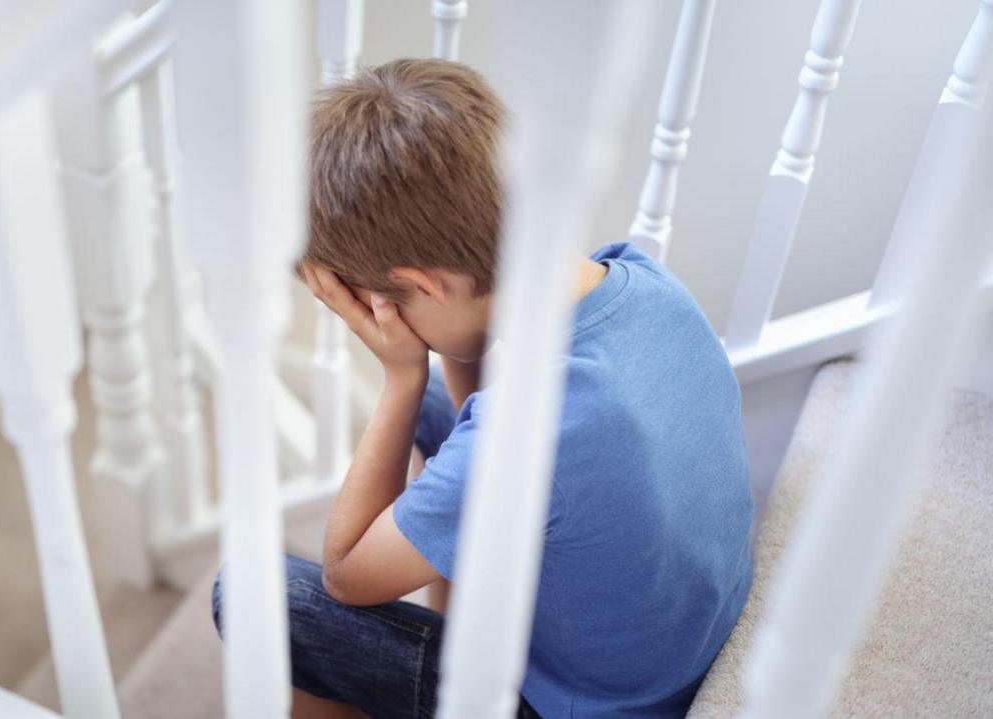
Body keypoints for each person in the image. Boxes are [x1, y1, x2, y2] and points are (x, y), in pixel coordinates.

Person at [212, 58, 753, 719]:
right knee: (443, 414)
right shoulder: (644, 281)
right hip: (667, 645)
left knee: (252, 595)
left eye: (383, 309)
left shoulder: (541, 424)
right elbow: (480, 415)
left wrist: (401, 375)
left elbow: (347, 574)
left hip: (587, 706)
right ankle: (454, 616)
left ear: (427, 285)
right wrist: (437, 355)